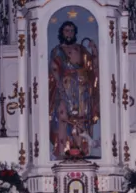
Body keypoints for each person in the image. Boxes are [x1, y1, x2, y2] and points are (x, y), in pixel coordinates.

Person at [49, 20, 99, 159]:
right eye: (66, 31)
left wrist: (94, 51)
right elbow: (54, 69)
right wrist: (59, 84)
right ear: (61, 33)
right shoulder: (57, 50)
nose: (69, 33)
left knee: (81, 119)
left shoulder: (81, 49)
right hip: (65, 87)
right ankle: (62, 151)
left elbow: (91, 66)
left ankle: (82, 152)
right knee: (63, 116)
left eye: (71, 31)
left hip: (82, 89)